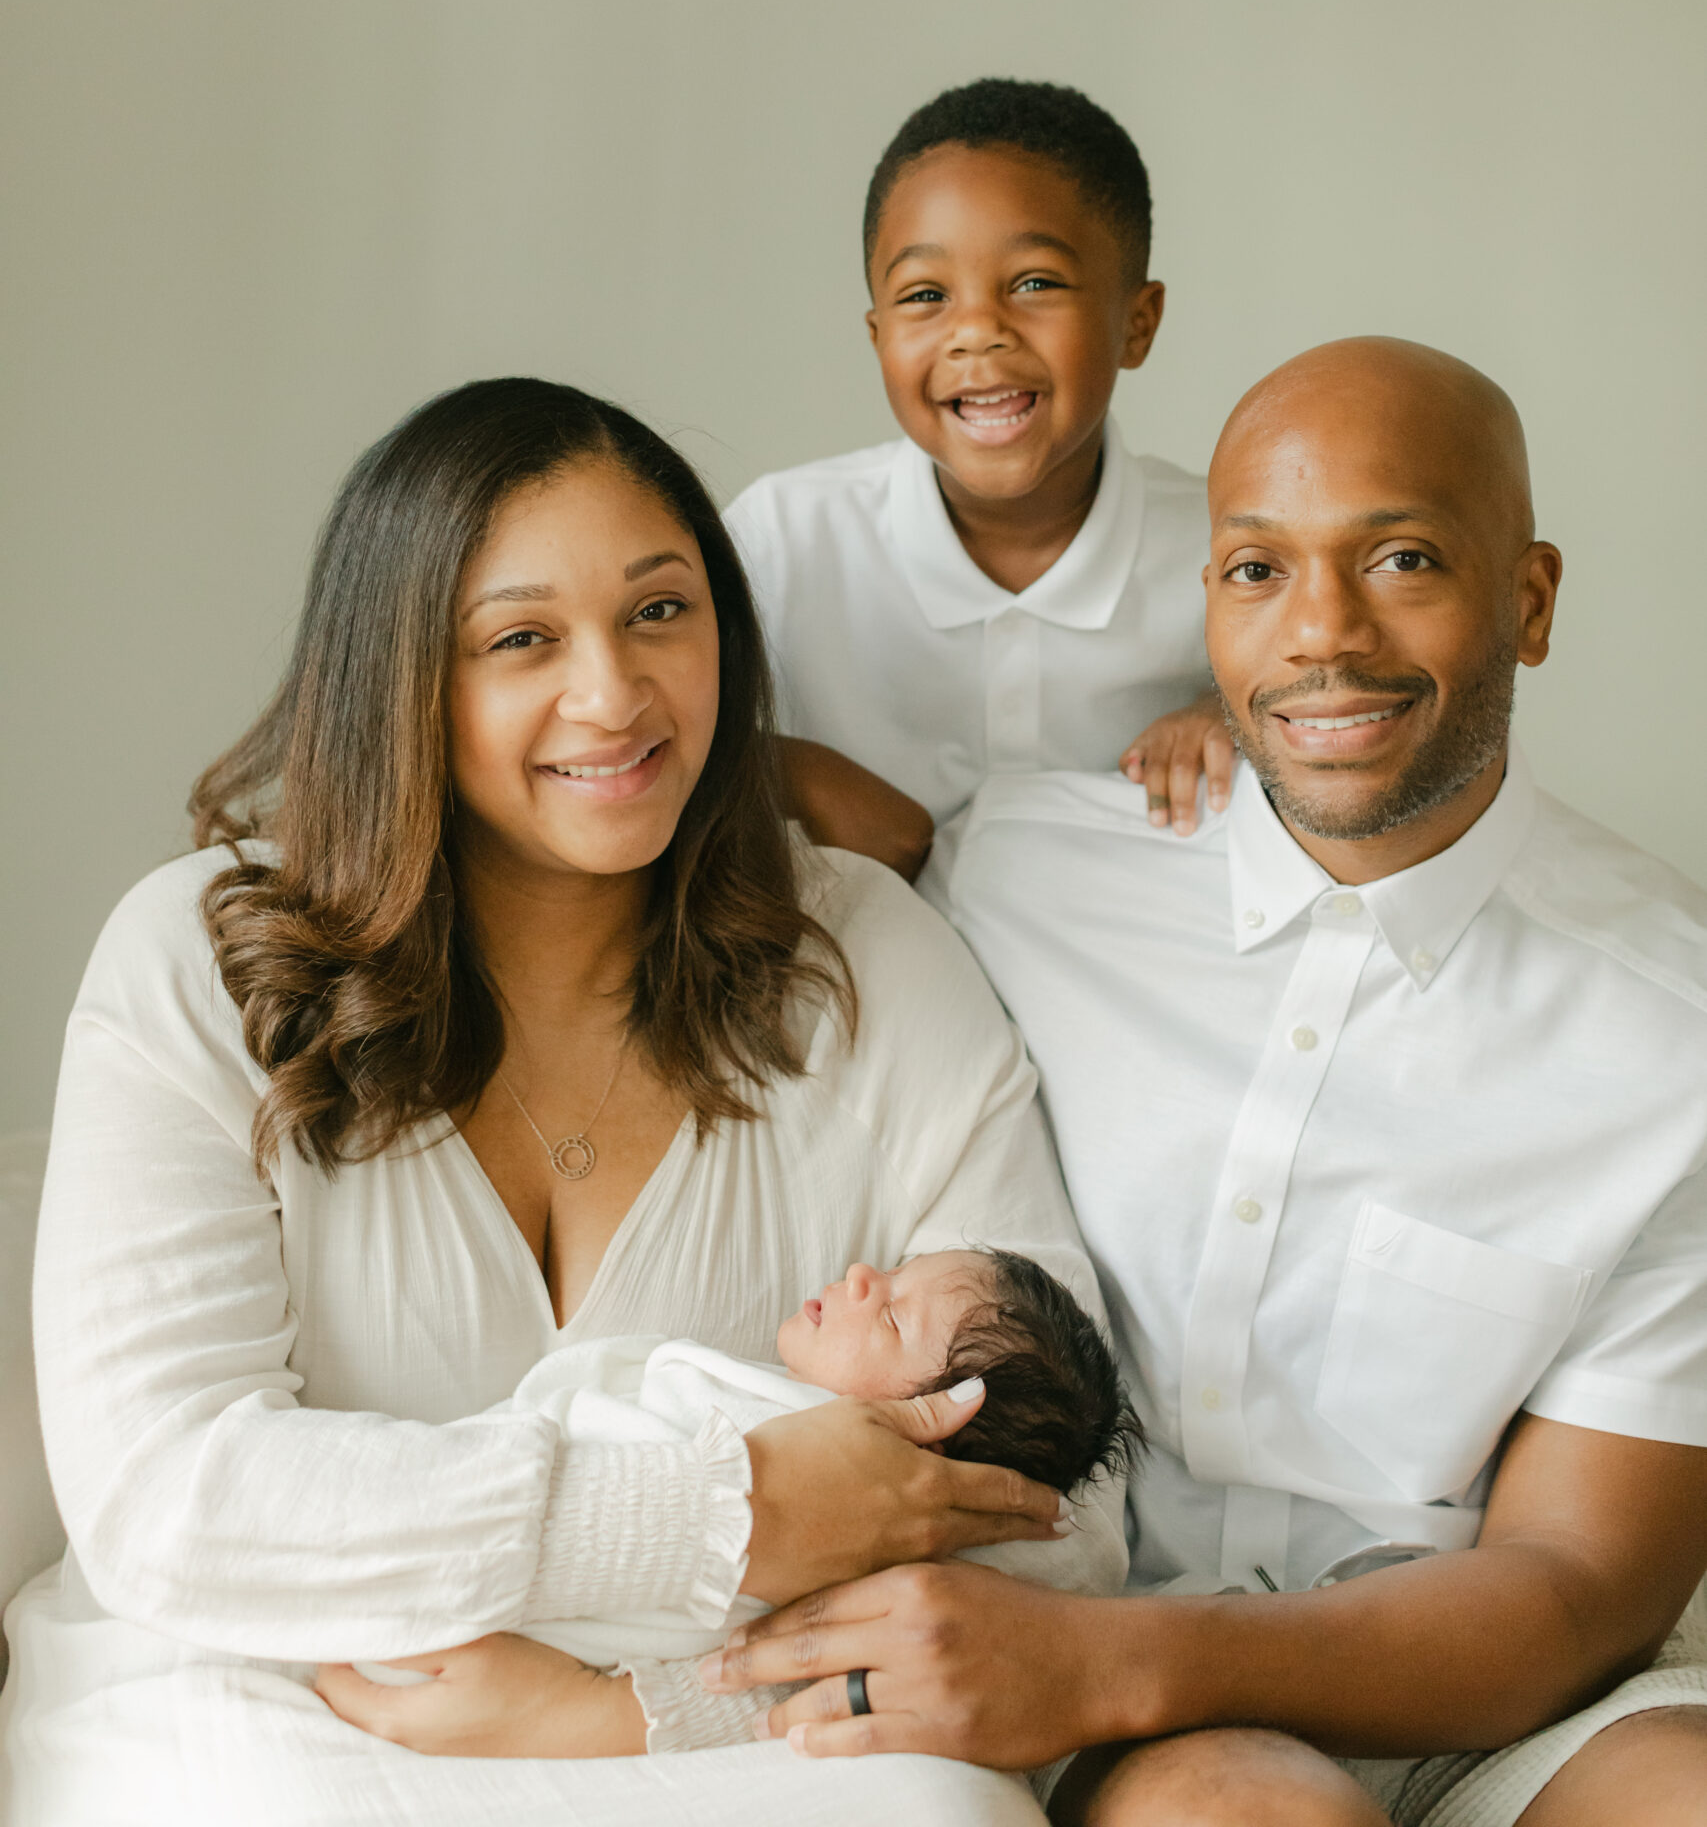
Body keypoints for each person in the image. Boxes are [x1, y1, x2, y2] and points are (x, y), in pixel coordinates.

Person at [3, 376, 1123, 1827]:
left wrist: (632, 1714)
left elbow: (1052, 1527)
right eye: (520, 639)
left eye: (660, 611)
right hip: (270, 1694)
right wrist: (729, 1515)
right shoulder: (201, 959)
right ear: (398, 680)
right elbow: (174, 1505)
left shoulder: (866, 964)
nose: (613, 694)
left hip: (732, 1713)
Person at [705, 338, 1707, 1825]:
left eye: (1402, 559)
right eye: (1255, 571)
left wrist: (1113, 1659)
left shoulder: (1672, 1036)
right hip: (1111, 1706)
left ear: (1530, 599)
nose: (1322, 635)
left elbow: (1571, 1590)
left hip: (1485, 1687)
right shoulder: (1017, 870)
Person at [724, 79, 1236, 876]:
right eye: (924, 295)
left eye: (1034, 283)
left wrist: (1236, 717)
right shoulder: (778, 542)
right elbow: (656, 737)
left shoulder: (1232, 550)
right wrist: (790, 769)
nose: (975, 333)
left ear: (1136, 323)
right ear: (876, 335)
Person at [341, 1248, 1140, 1757]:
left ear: (934, 1442)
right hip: (432, 1574)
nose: (863, 1275)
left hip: (455, 1605)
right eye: (893, 1269)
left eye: (893, 1315)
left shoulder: (890, 1530)